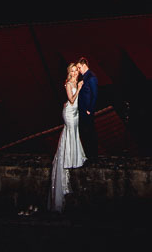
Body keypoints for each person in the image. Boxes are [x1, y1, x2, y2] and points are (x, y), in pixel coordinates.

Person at [48, 63, 86, 212]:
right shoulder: (69, 83)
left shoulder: (76, 82)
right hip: (69, 113)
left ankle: (75, 156)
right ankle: (68, 158)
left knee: (75, 134)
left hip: (75, 113)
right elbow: (71, 100)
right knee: (69, 133)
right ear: (69, 72)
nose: (75, 73)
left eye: (76, 70)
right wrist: (79, 89)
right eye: (73, 71)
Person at [76, 56, 99, 161]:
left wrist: (90, 109)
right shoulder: (85, 77)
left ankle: (93, 155)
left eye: (79, 67)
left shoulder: (91, 77)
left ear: (84, 65)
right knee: (85, 132)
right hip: (83, 110)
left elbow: (94, 95)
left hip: (87, 111)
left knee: (89, 132)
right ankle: (88, 154)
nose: (79, 70)